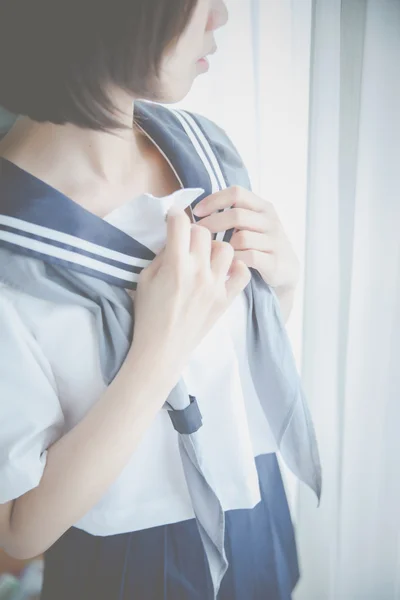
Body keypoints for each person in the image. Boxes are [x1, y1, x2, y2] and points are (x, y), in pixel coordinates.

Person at [0, 1, 320, 598]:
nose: (221, 15)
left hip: (257, 503)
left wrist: (283, 283)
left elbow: (235, 369)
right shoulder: (13, 255)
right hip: (131, 563)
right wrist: (158, 351)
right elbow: (18, 529)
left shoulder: (204, 149)